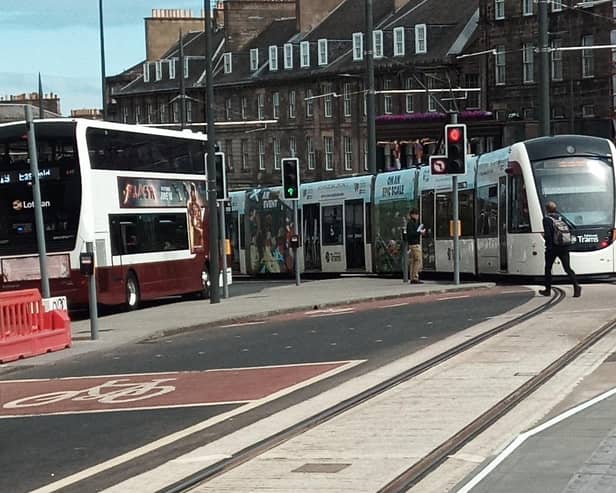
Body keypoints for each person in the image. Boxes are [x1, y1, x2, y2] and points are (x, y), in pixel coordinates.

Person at [539, 201, 581, 297]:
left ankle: (548, 290)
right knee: (567, 268)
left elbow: (549, 235)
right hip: (564, 247)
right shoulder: (561, 218)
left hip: (553, 248)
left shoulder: (547, 220)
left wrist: (546, 242)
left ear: (546, 209)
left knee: (548, 268)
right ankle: (576, 286)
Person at [406, 208, 426, 284]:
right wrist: (419, 232)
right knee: (418, 260)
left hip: (413, 244)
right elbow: (411, 234)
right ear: (413, 215)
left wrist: (420, 232)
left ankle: (412, 277)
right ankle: (415, 277)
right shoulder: (411, 223)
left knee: (414, 261)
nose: (418, 216)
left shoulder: (414, 223)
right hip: (414, 244)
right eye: (416, 214)